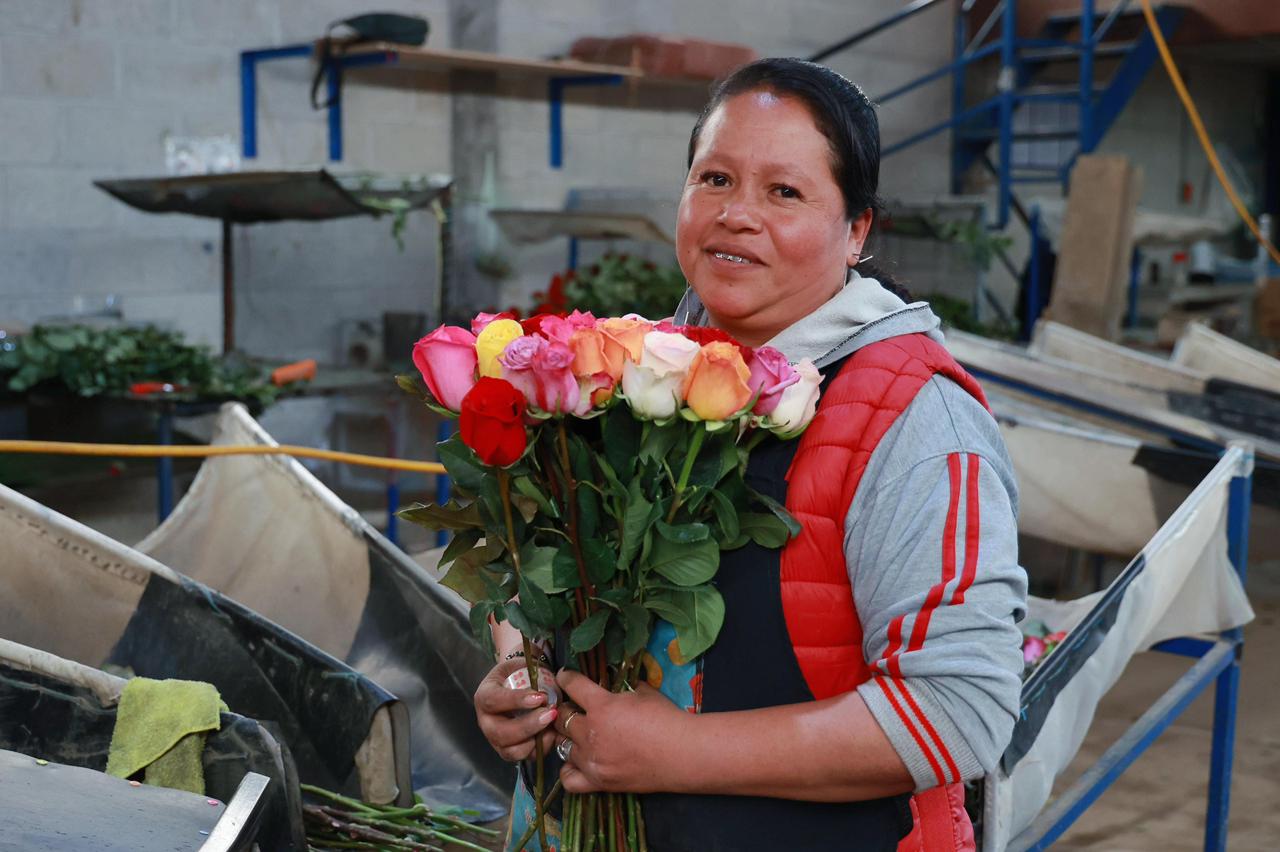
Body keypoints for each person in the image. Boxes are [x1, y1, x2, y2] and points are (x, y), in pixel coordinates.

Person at [473, 57, 1027, 852]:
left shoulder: (914, 418)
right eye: (716, 179)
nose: (737, 215)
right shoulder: (624, 376)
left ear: (857, 231)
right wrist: (524, 682)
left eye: (785, 192)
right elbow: (554, 583)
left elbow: (961, 711)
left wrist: (676, 754)